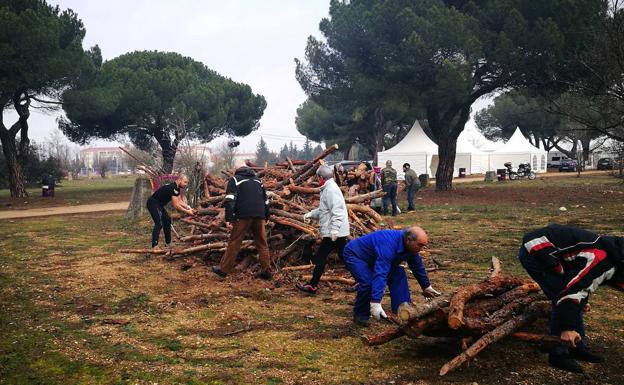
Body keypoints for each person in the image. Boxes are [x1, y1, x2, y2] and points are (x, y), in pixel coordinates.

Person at [518, 224, 624, 373]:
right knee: (561, 296)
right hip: (536, 250)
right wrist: (568, 328)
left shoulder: (617, 258)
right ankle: (558, 353)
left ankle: (576, 347)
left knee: (577, 297)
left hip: (560, 254)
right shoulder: (599, 260)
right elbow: (570, 293)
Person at [343, 227, 442, 326]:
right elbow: (381, 273)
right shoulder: (388, 244)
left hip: (374, 257)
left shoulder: (411, 247)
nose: (421, 249)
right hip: (355, 255)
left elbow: (417, 266)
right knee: (368, 282)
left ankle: (402, 310)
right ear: (409, 240)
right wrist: (375, 302)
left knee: (399, 274)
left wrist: (426, 286)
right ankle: (361, 315)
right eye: (420, 245)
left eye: (423, 246)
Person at [296, 165, 350, 294]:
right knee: (345, 257)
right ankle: (362, 279)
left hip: (334, 231)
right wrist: (311, 214)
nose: (317, 179)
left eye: (318, 177)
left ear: (322, 177)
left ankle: (312, 286)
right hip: (334, 231)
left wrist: (335, 230)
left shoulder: (331, 190)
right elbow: (324, 210)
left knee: (321, 257)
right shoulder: (327, 189)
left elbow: (338, 211)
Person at [212, 166, 272, 280]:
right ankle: (267, 271)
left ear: (237, 172)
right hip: (259, 215)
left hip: (243, 215)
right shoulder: (258, 181)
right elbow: (266, 200)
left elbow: (230, 200)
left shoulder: (234, 179)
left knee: (234, 242)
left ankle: (223, 270)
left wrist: (229, 219)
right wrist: (266, 216)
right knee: (262, 243)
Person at [147, 174, 196, 249]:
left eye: (187, 183)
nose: (186, 184)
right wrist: (187, 212)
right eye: (185, 182)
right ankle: (154, 245)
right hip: (153, 203)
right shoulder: (172, 188)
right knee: (159, 223)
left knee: (167, 220)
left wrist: (189, 207)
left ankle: (168, 243)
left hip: (159, 205)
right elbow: (176, 205)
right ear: (179, 180)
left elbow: (179, 201)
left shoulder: (177, 189)